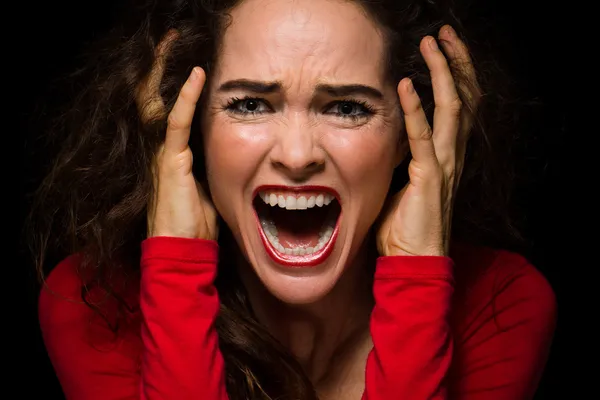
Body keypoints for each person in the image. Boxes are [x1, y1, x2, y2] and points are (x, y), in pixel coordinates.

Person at [26, 0, 557, 399]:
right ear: (187, 132)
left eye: (347, 108)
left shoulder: (500, 309)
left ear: (408, 137)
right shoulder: (94, 308)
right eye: (251, 104)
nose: (299, 155)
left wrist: (419, 274)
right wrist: (175, 270)